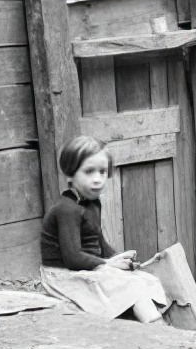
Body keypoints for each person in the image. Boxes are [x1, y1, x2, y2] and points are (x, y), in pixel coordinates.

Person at [40, 135, 169, 323]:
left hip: (87, 266)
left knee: (146, 280)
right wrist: (107, 264)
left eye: (102, 172)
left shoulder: (93, 203)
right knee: (132, 289)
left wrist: (118, 258)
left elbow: (97, 239)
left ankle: (151, 328)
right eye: (89, 172)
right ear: (70, 174)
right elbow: (72, 257)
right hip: (63, 275)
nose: (97, 179)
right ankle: (158, 333)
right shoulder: (67, 209)